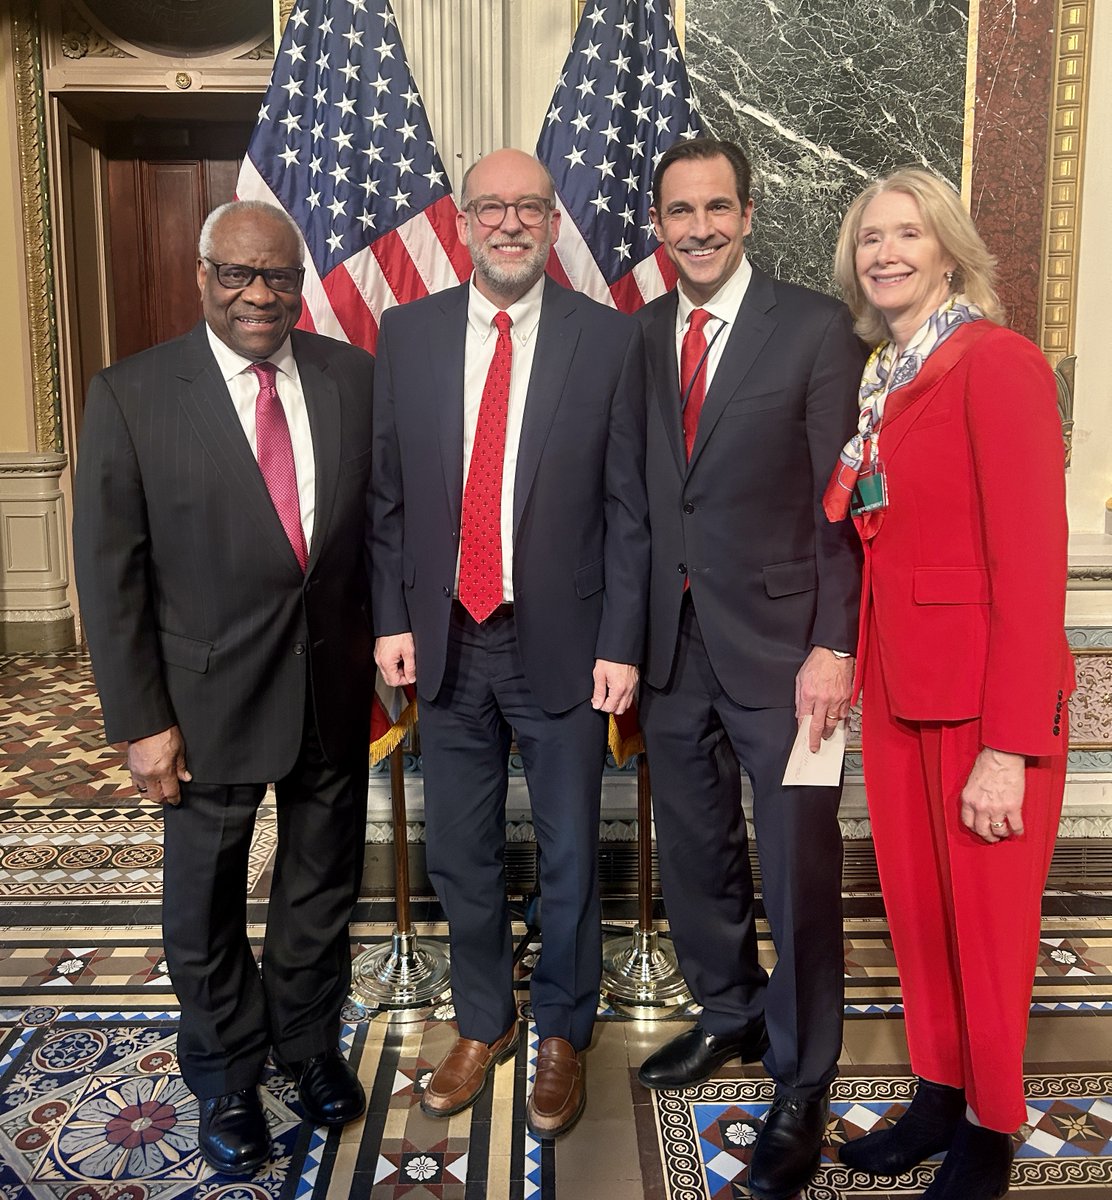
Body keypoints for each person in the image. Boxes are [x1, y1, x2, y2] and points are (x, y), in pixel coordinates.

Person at [73, 200, 374, 1177]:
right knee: (202, 909)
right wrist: (140, 721)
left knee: (320, 892)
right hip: (200, 711)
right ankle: (225, 1076)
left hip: (329, 691)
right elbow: (110, 575)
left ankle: (305, 1046)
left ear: (299, 282)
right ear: (203, 276)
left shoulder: (349, 379)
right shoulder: (132, 393)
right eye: (238, 274)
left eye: (277, 276)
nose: (259, 294)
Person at [370, 148, 648, 1140]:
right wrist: (390, 620)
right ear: (460, 223)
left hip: (566, 645)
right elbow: (388, 495)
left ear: (549, 220)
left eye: (528, 206)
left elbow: (629, 511)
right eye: (490, 207)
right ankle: (484, 1021)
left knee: (572, 851)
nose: (509, 223)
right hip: (444, 643)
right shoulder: (404, 334)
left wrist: (621, 638)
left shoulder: (607, 342)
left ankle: (563, 1027)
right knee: (458, 854)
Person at [827, 169, 1073, 1200]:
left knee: (986, 927)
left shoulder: (996, 363)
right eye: (868, 238)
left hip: (982, 709)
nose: (884, 253)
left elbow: (1030, 565)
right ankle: (935, 1094)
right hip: (895, 694)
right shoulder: (883, 374)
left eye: (905, 235)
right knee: (917, 918)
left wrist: (1008, 747)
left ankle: (988, 1126)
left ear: (947, 249)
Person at [634, 137, 864, 1200]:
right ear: (656, 224)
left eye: (715, 207)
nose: (698, 228)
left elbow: (840, 506)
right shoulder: (641, 336)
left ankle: (801, 1074)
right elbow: (640, 497)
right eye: (678, 211)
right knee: (693, 855)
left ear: (748, 213)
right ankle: (724, 1012)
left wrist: (833, 644)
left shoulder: (814, 331)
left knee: (797, 871)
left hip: (785, 657)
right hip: (671, 650)